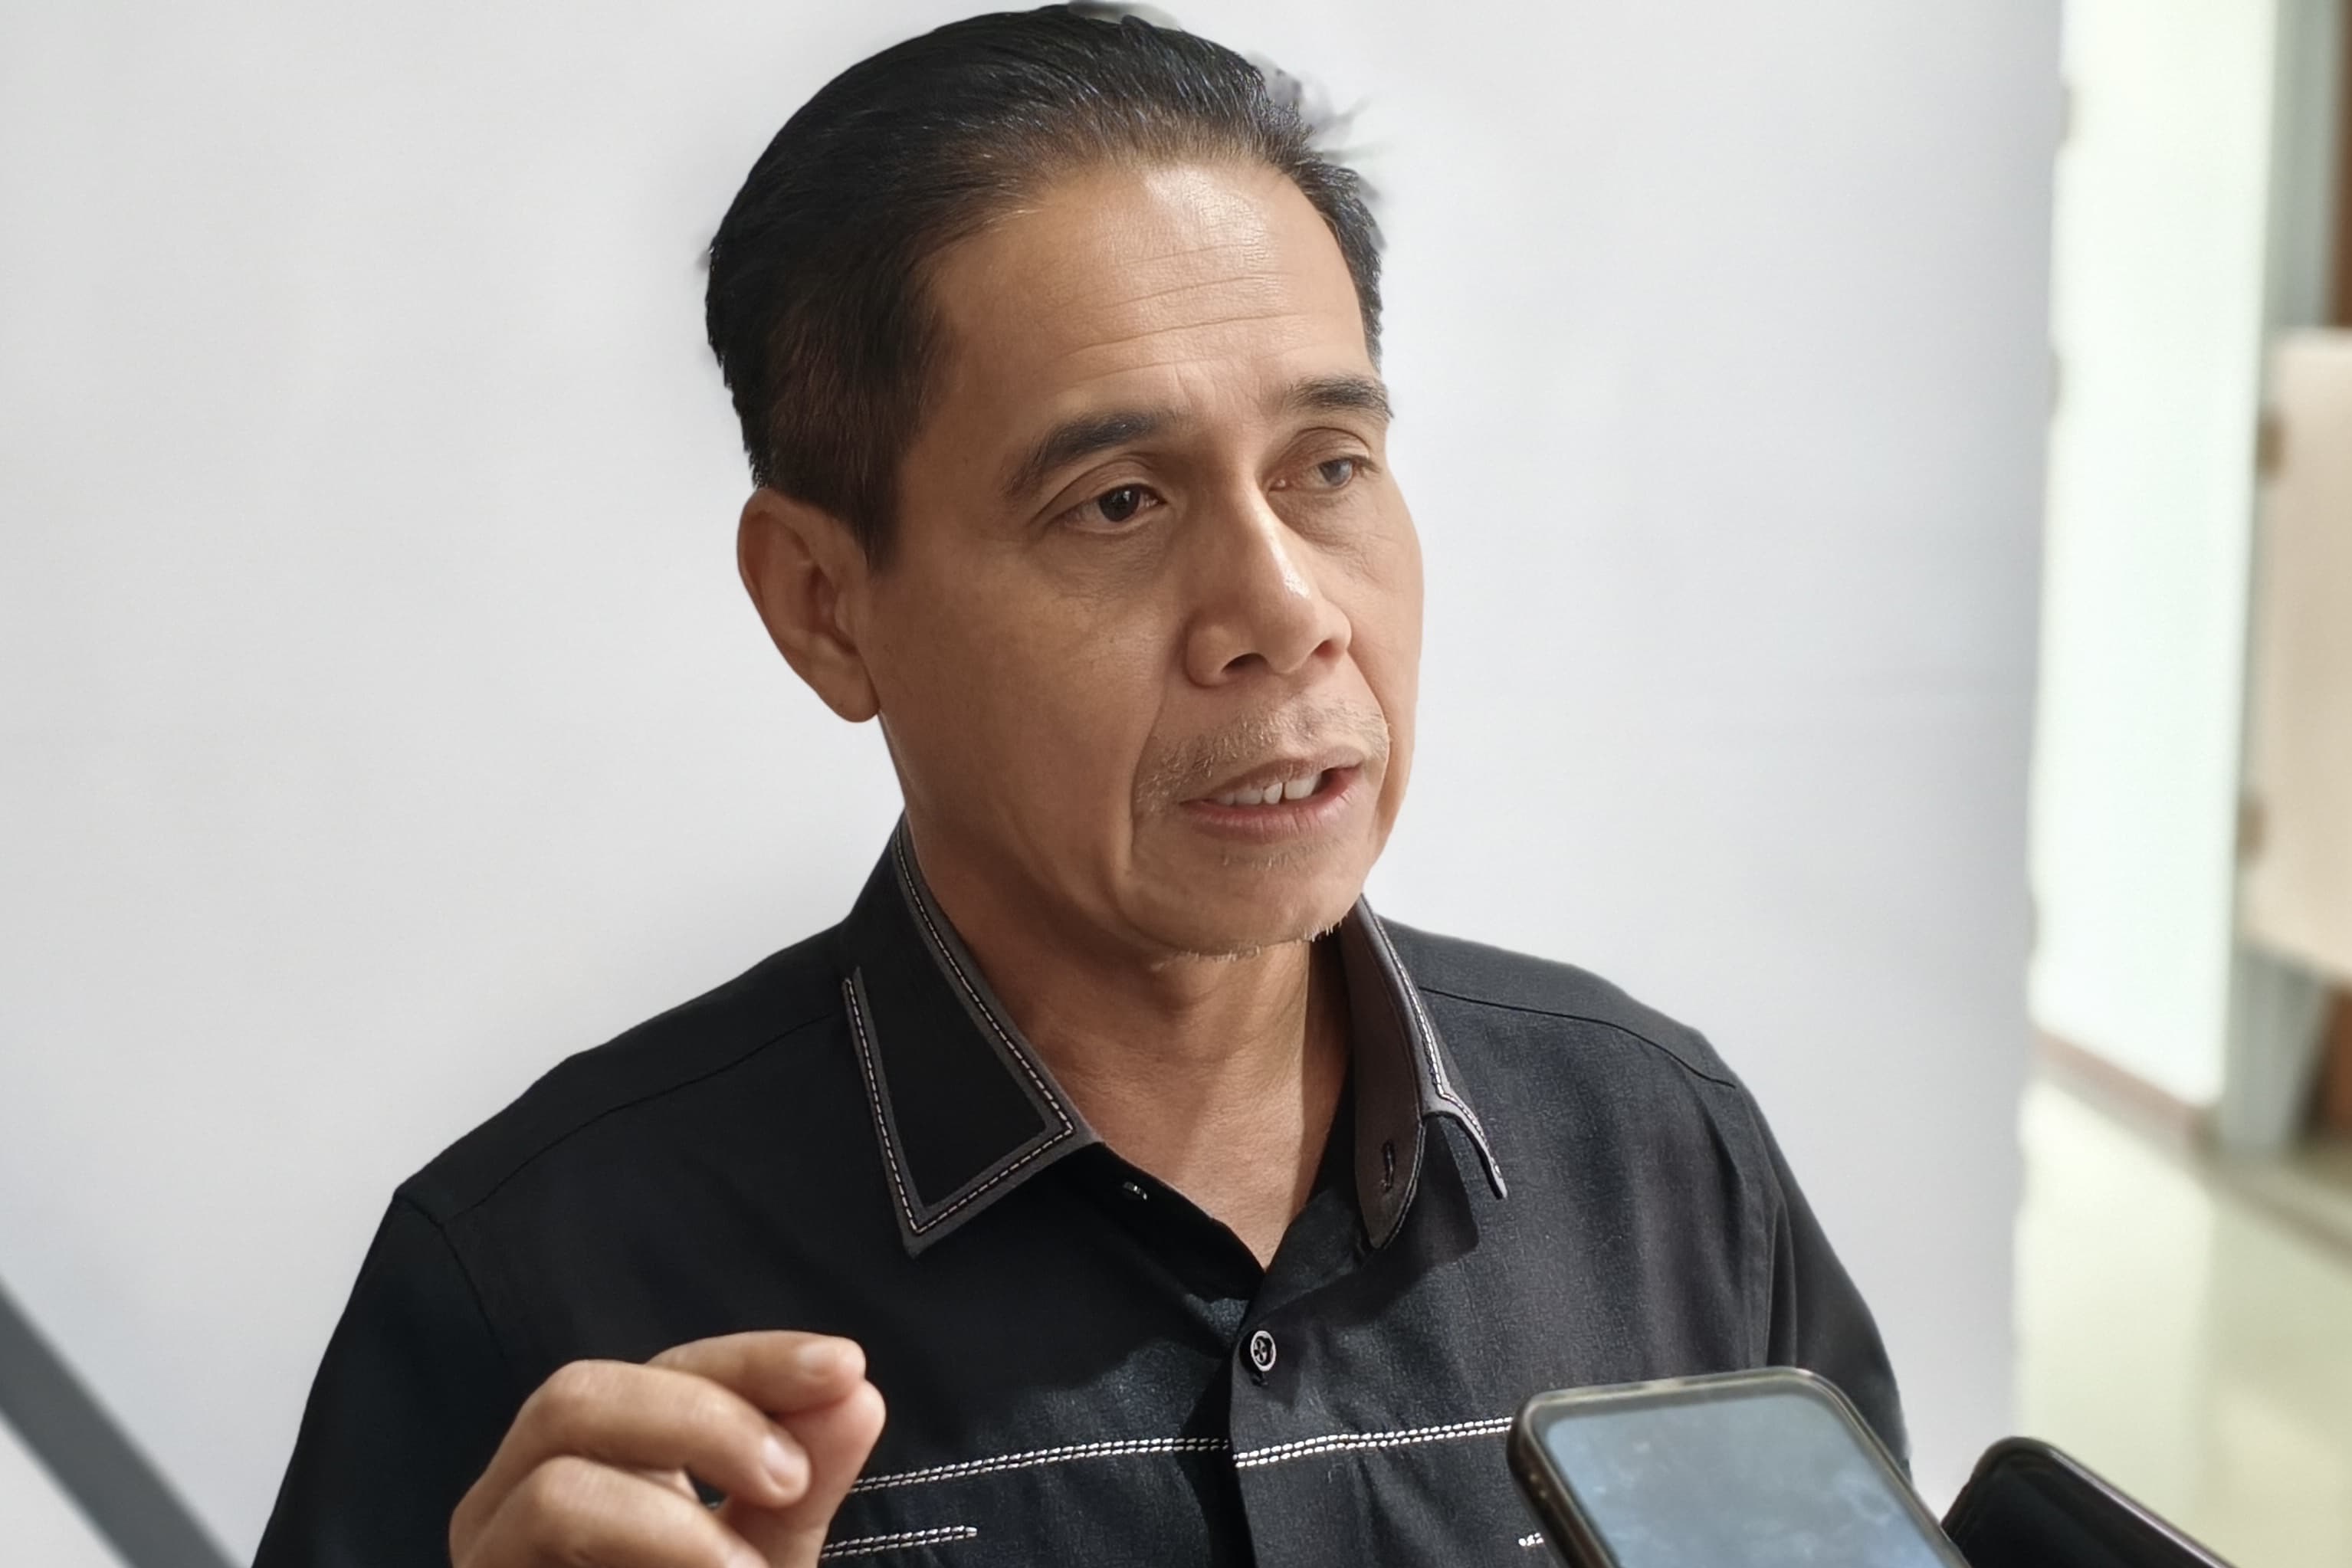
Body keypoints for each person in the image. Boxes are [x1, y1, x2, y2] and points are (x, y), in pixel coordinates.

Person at [254, 8, 1904, 1564]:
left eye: (1327, 466)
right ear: (824, 605)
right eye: (1117, 503)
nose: (1283, 613)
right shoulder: (546, 1283)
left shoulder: (1655, 1155)